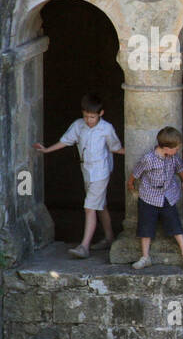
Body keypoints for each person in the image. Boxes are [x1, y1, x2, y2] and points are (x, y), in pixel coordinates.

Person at [33, 93, 125, 258]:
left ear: (101, 113)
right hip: (86, 170)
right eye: (86, 116)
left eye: (92, 117)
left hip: (101, 171)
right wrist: (46, 150)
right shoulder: (78, 125)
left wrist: (135, 153)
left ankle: (84, 246)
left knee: (89, 207)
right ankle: (110, 238)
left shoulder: (106, 128)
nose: (89, 119)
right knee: (100, 205)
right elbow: (66, 141)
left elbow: (115, 147)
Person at [127, 126, 183, 271]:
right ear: (165, 148)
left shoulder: (173, 158)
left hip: (166, 196)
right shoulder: (149, 159)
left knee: (175, 225)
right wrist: (130, 183)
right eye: (175, 148)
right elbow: (136, 172)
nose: (177, 150)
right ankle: (145, 257)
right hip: (149, 196)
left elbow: (181, 171)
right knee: (146, 227)